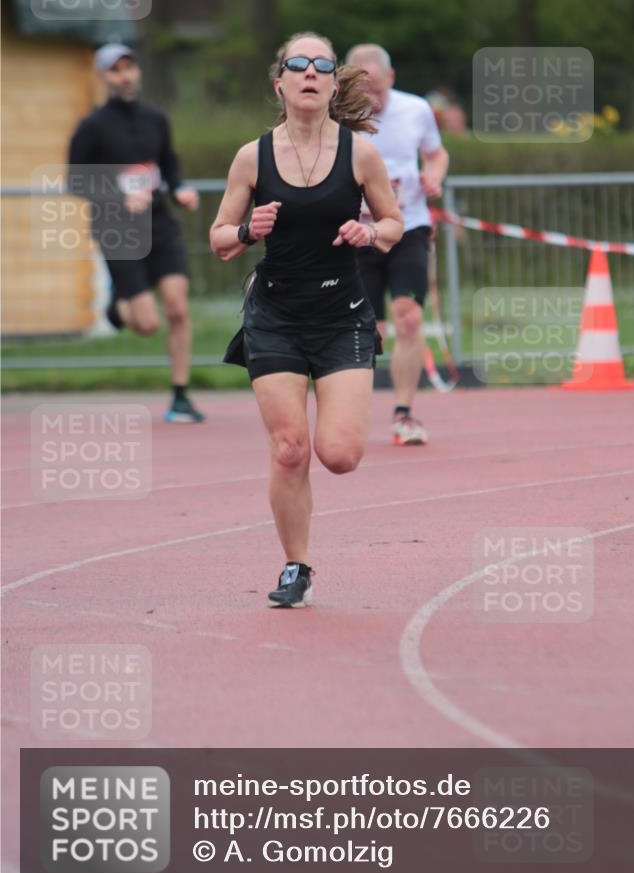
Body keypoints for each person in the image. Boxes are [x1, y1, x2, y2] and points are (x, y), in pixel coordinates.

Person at [210, 32, 403, 608]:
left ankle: (302, 551)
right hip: (274, 317)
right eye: (299, 65)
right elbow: (220, 237)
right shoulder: (253, 156)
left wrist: (369, 231)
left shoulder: (359, 154)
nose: (311, 73)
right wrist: (249, 231)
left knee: (339, 455)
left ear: (331, 81)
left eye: (323, 65)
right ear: (282, 83)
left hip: (341, 316)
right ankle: (297, 565)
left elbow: (394, 224)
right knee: (290, 447)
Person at [68, 43, 205, 423]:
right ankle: (118, 306)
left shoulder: (155, 119)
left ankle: (180, 396)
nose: (125, 75)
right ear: (103, 78)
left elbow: (170, 167)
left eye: (130, 67)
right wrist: (117, 197)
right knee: (147, 324)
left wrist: (180, 190)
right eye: (116, 70)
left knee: (178, 306)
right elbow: (75, 180)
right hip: (117, 229)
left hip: (160, 224)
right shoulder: (92, 126)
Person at [345, 44, 450, 445]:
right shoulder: (337, 119)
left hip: (409, 226)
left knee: (408, 316)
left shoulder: (415, 109)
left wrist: (433, 176)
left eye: (376, 87)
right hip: (358, 232)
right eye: (361, 88)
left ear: (391, 78)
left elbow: (437, 154)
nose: (370, 98)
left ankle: (404, 413)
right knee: (367, 328)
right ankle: (350, 412)